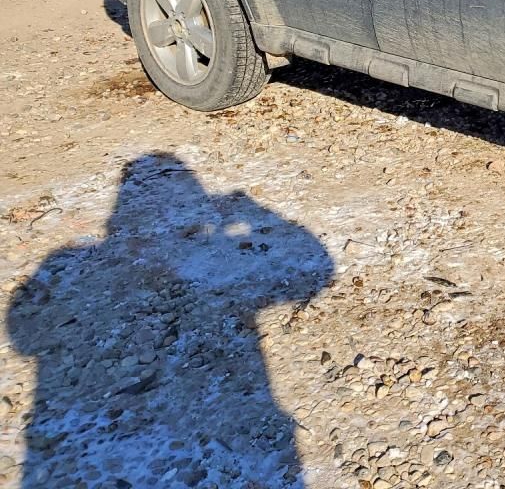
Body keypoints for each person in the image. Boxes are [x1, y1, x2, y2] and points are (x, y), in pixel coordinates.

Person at [6, 152, 333, 488]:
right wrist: (250, 210)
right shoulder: (78, 261)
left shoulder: (69, 260)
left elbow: (23, 337)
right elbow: (320, 270)